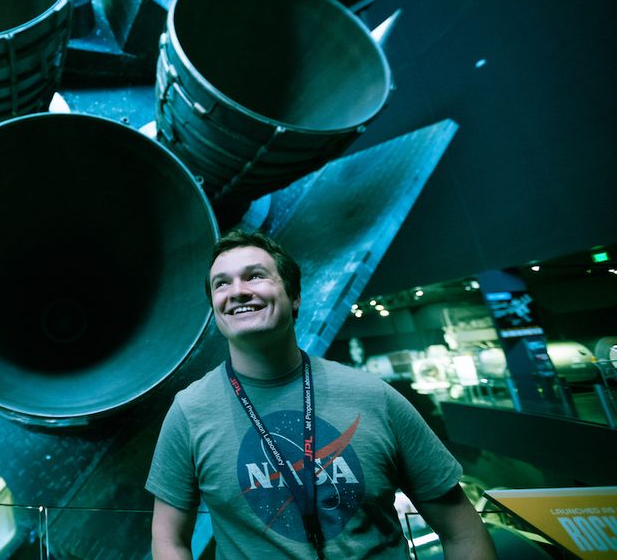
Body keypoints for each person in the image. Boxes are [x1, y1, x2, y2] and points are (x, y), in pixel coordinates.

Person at [146, 229, 496, 559]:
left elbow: (461, 529)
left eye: (255, 276)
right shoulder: (190, 412)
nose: (237, 291)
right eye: (221, 283)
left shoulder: (374, 397)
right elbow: (168, 539)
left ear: (294, 297)